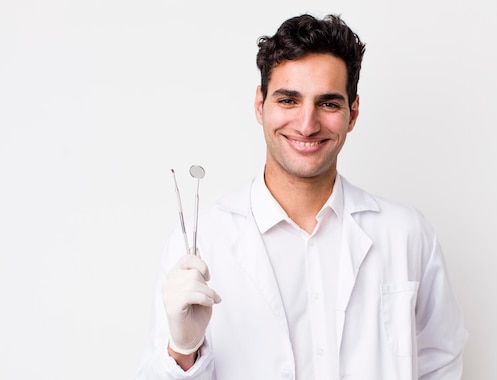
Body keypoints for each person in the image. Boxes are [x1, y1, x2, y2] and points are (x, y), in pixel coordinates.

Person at [136, 13, 468, 380]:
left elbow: (442, 362)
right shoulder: (202, 242)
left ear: (352, 112)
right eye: (289, 100)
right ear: (260, 105)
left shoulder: (406, 234)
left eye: (328, 103)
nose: (307, 125)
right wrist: (183, 351)